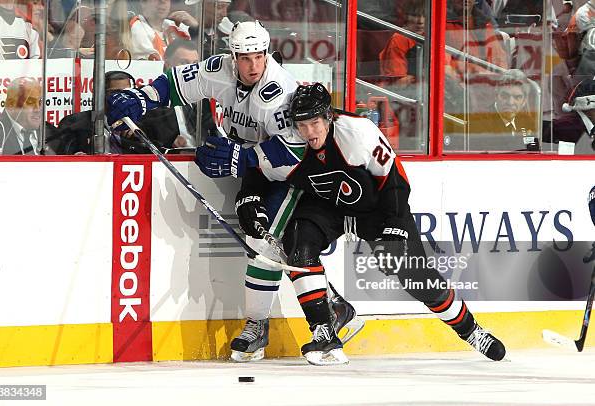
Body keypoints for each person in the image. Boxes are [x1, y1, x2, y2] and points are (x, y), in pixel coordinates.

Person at [105, 20, 361, 363]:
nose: (253, 65)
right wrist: (143, 97)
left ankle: (259, 326)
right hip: (255, 168)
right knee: (261, 234)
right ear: (233, 55)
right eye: (245, 57)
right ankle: (333, 304)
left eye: (259, 56)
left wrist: (239, 157)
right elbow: (179, 84)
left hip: (290, 174)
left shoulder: (279, 91)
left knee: (263, 241)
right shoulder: (220, 69)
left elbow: (293, 155)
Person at [232, 83, 507, 362]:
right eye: (302, 125)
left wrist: (396, 225)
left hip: (377, 209)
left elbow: (395, 181)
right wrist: (248, 199)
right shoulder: (290, 142)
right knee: (298, 242)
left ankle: (470, 330)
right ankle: (324, 332)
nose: (309, 133)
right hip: (328, 207)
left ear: (328, 116)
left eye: (315, 123)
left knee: (417, 280)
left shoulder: (358, 133)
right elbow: (258, 169)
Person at [56, 71, 185, 154]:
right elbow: (61, 155)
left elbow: (159, 155)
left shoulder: (145, 125)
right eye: (116, 93)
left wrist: (140, 140)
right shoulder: (75, 124)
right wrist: (74, 158)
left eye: (127, 93)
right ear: (99, 95)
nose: (123, 98)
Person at [0, 77, 57, 155]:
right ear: (11, 104)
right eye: (30, 102)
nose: (38, 109)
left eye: (40, 102)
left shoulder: (50, 132)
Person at [467, 69, 537, 140]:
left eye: (517, 97)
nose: (510, 102)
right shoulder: (479, 122)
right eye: (505, 96)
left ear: (524, 101)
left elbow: (532, 148)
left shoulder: (527, 121)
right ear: (496, 95)